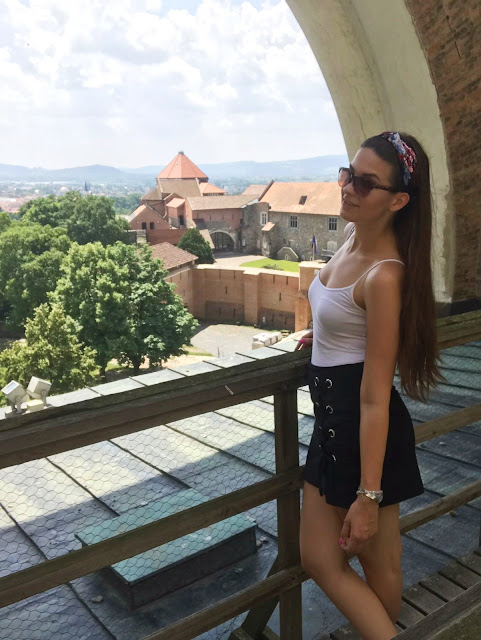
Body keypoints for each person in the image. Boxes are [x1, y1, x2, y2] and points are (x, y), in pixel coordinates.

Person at [295, 132, 443, 640]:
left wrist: (368, 495)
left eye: (365, 182)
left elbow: (376, 394)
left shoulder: (386, 275)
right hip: (331, 428)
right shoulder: (352, 239)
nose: (347, 188)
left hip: (367, 437)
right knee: (319, 558)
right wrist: (322, 333)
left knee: (381, 573)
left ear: (398, 201)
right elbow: (340, 311)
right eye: (347, 174)